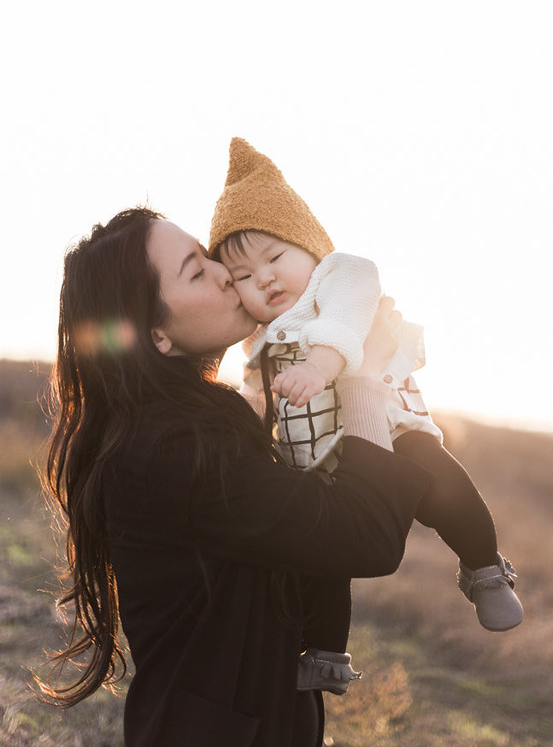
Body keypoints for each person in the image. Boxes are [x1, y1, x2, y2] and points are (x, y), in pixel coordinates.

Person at [37, 205, 437, 747]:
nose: (225, 271)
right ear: (157, 334)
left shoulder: (185, 424)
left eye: (206, 255)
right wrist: (363, 375)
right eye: (196, 271)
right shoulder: (174, 450)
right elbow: (363, 535)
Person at [208, 138, 524, 692]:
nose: (262, 279)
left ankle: (484, 567)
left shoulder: (342, 275)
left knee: (440, 482)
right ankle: (325, 652)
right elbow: (258, 394)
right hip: (318, 457)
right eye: (240, 276)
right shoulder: (260, 340)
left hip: (390, 424)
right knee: (324, 552)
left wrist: (322, 365)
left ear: (310, 246)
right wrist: (249, 409)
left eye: (274, 257)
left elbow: (352, 318)